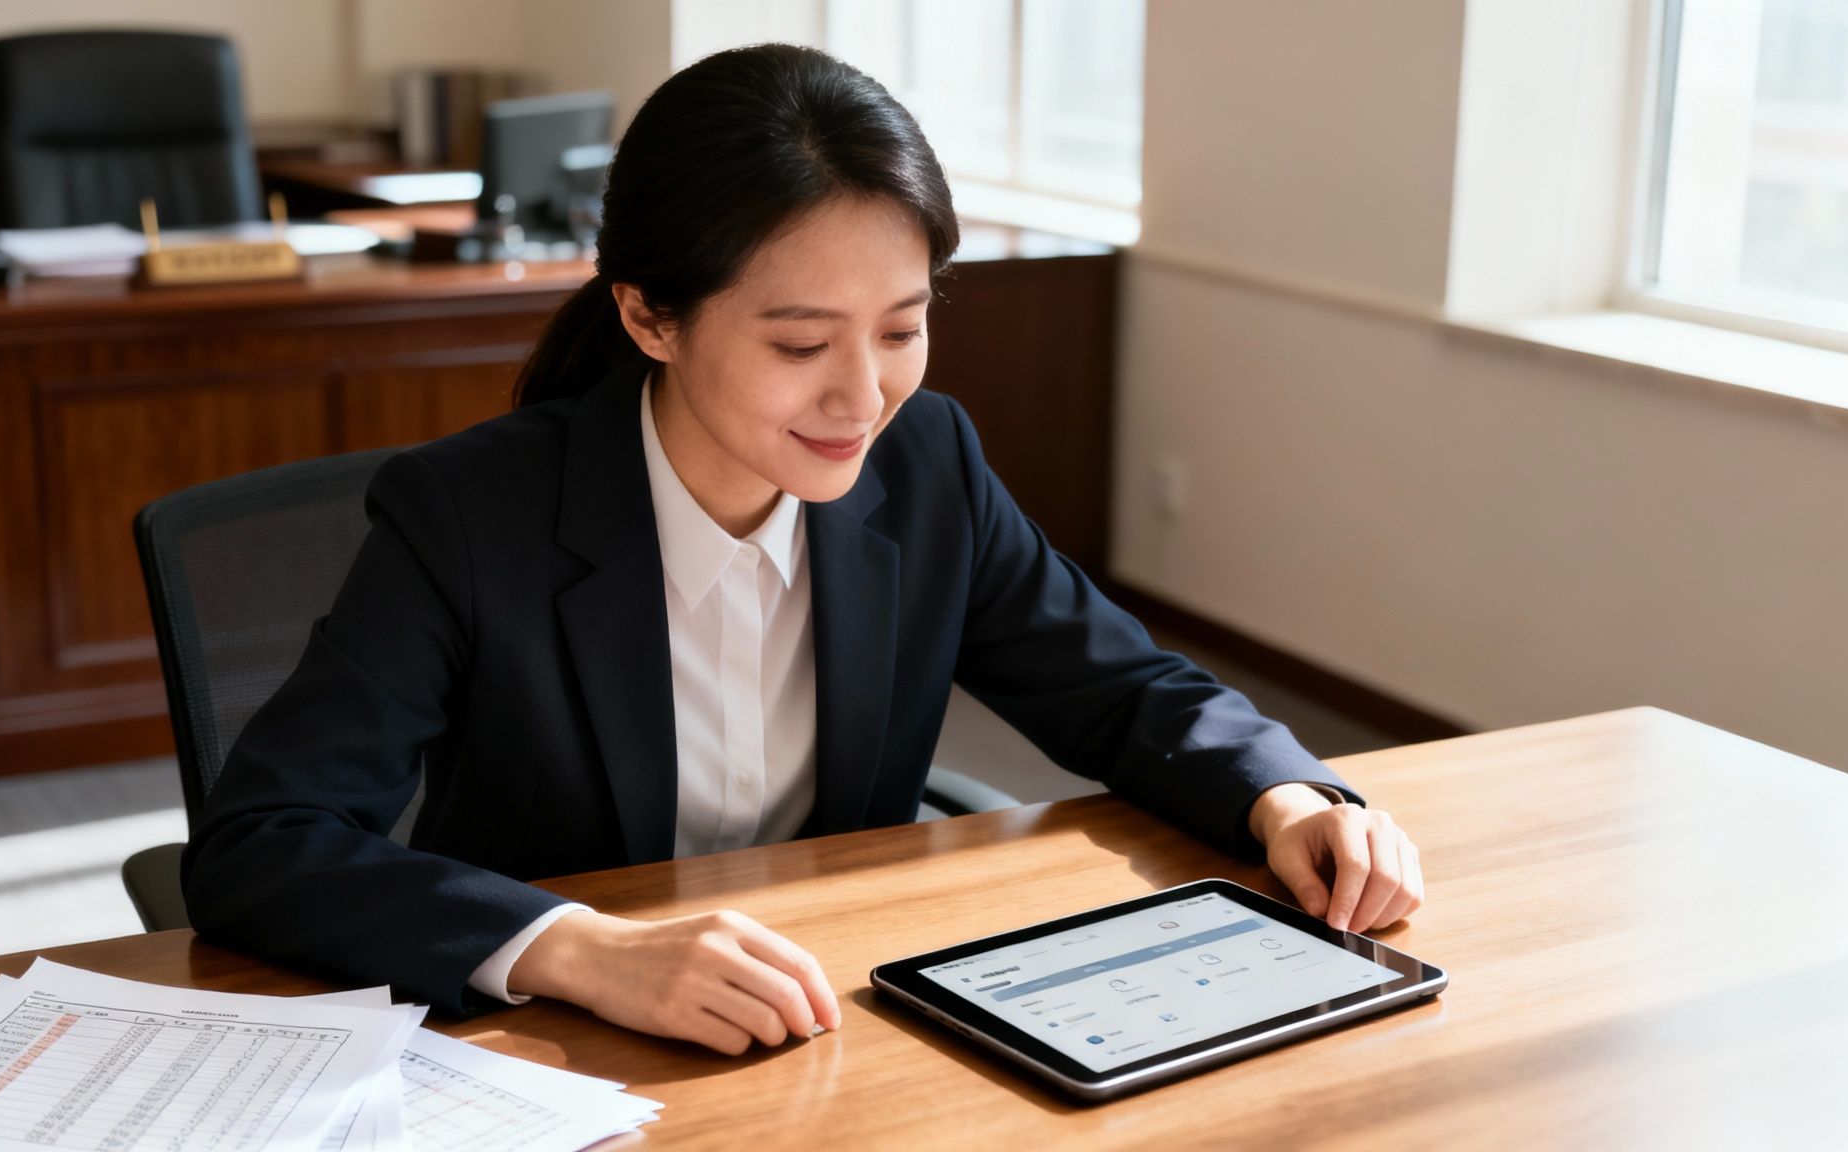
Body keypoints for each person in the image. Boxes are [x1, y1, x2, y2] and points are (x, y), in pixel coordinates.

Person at [183, 43, 1424, 1057]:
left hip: (827, 1019)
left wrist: (1284, 792)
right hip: (564, 1045)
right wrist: (577, 945)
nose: (862, 397)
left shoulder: (925, 463)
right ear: (647, 314)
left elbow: (1118, 688)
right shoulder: (470, 516)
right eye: (798, 344)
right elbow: (262, 842)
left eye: (900, 327)